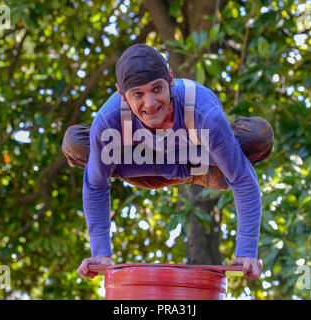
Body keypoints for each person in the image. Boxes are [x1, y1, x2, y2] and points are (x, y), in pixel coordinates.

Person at [62, 44, 273, 280]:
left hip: (200, 164)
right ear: (122, 94)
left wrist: (246, 252)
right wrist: (101, 253)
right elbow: (96, 185)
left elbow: (242, 179)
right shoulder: (109, 121)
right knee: (76, 142)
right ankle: (130, 160)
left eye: (157, 89)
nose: (150, 104)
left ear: (170, 79)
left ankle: (202, 166)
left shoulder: (202, 112)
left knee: (258, 135)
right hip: (143, 167)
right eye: (137, 94)